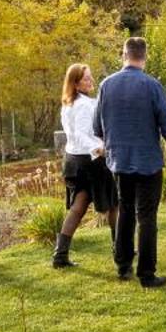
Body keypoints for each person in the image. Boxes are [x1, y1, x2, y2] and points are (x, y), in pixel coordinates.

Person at [92, 35, 166, 288]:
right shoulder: (152, 86)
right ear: (145, 56)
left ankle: (123, 266)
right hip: (148, 162)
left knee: (124, 210)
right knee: (146, 217)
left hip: (119, 161)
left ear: (124, 55)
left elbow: (97, 128)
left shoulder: (106, 85)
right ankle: (146, 274)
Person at [53, 62, 112, 269]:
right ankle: (121, 249)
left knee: (78, 207)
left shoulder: (68, 103)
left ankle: (60, 256)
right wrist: (99, 149)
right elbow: (80, 133)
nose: (91, 81)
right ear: (76, 84)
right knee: (114, 203)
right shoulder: (85, 105)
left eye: (90, 77)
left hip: (72, 160)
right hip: (90, 161)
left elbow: (74, 135)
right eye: (86, 78)